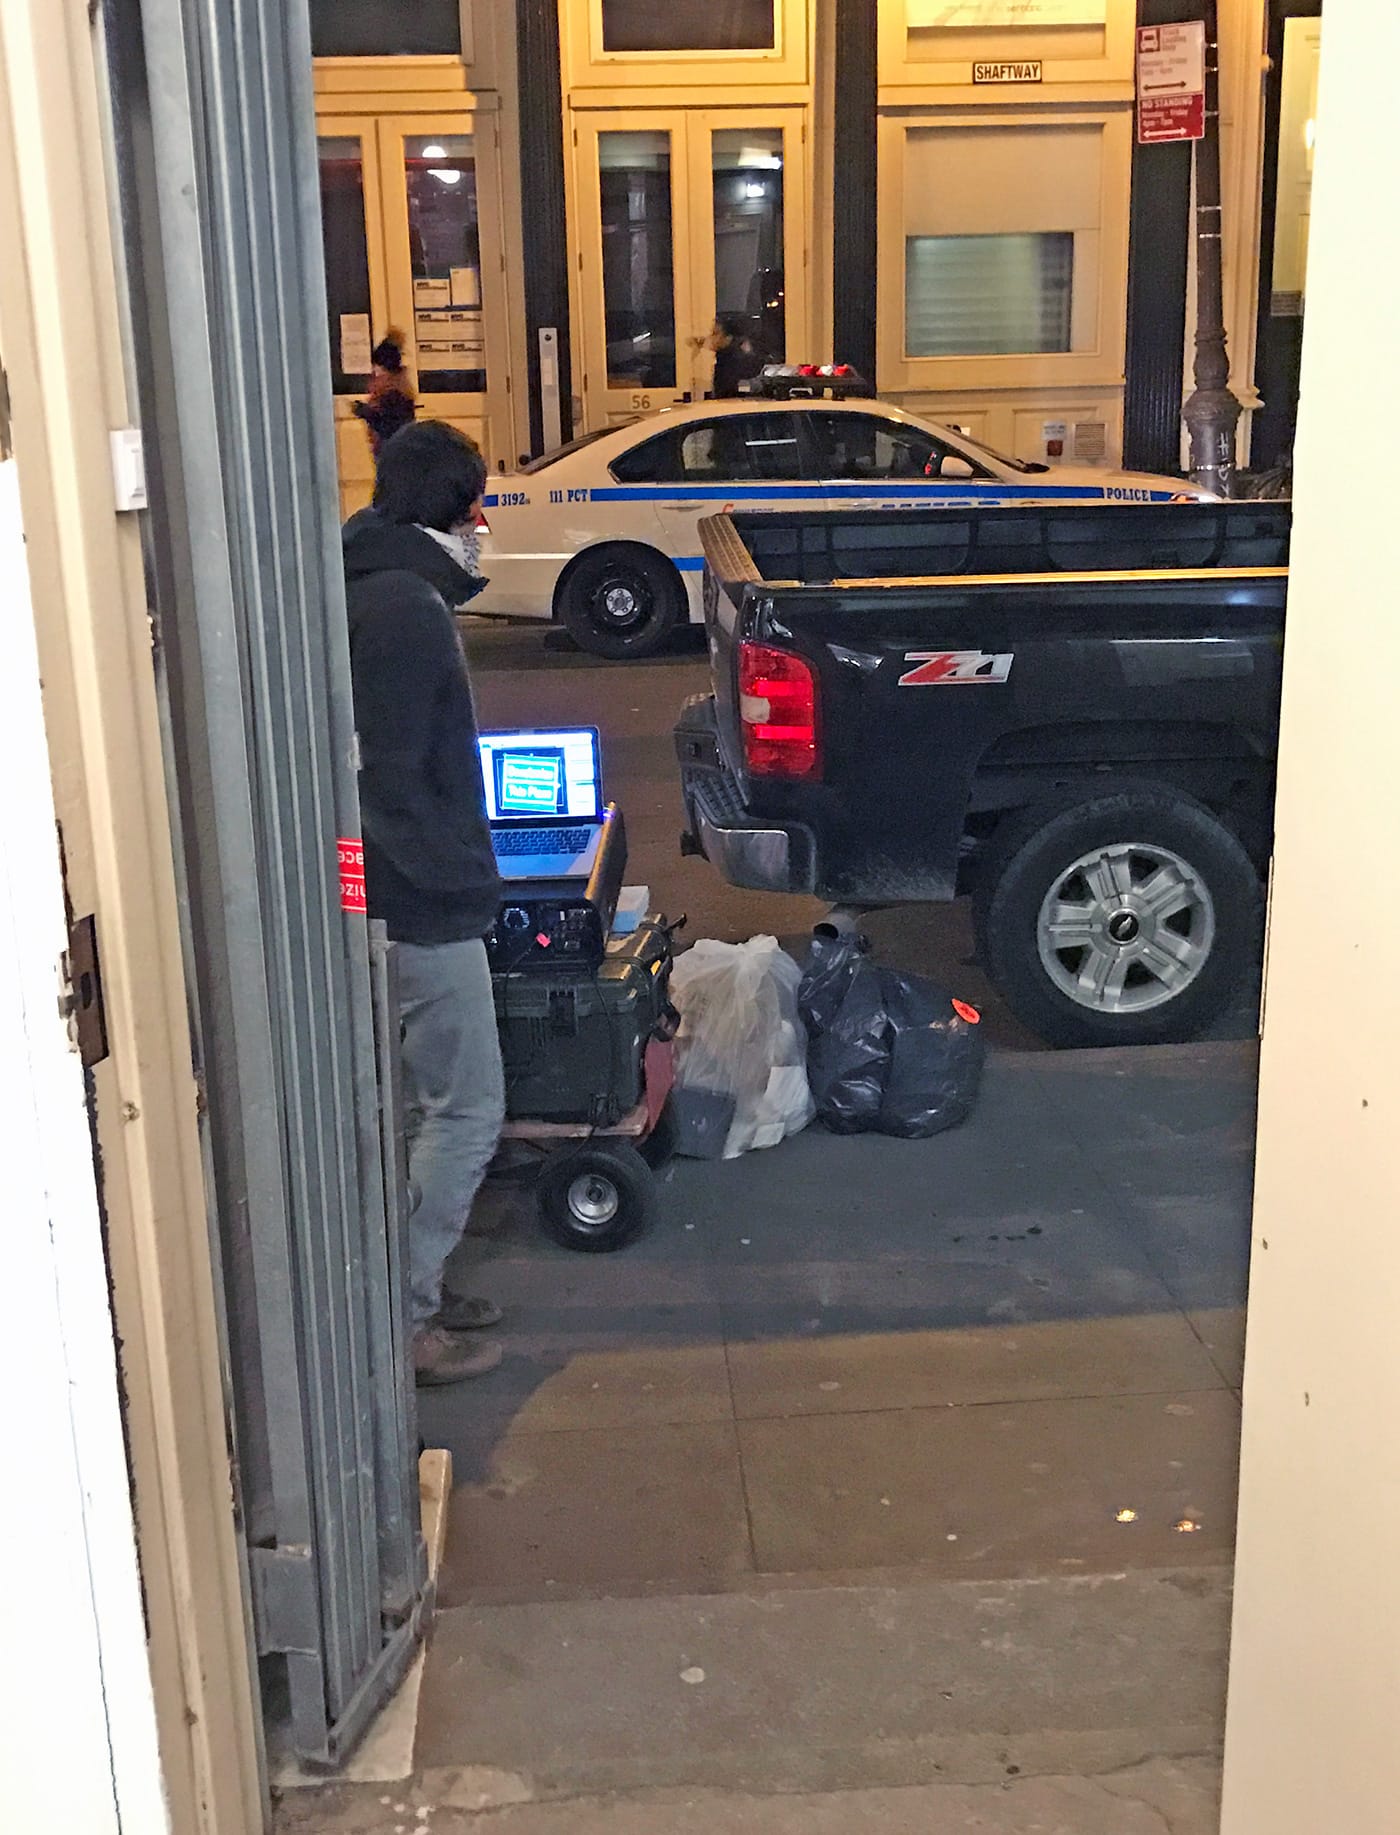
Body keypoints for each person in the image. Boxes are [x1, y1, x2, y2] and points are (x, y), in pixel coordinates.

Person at [343, 420, 506, 1386]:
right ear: (455, 508)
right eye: (478, 504)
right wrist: (453, 881)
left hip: (389, 899)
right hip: (420, 901)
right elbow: (392, 777)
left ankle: (411, 1288)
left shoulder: (371, 579)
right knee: (468, 1108)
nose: (484, 522)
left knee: (415, 1110)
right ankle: (405, 1319)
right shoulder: (406, 606)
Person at [353, 330, 417, 458]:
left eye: (378, 369)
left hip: (394, 452)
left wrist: (366, 412)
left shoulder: (394, 394)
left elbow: (388, 426)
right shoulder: (394, 391)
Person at [692, 313, 764, 399]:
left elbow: (727, 393)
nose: (711, 337)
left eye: (715, 334)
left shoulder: (733, 363)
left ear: (728, 338)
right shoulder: (727, 358)